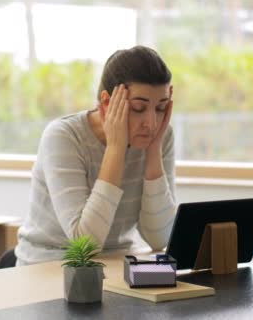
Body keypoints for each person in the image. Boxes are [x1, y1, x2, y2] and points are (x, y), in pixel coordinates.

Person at [15, 45, 176, 266]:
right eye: (138, 108)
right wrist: (115, 150)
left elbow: (160, 239)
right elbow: (85, 246)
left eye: (161, 108)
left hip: (118, 265)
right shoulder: (64, 137)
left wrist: (154, 150)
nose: (152, 123)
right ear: (107, 102)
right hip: (51, 264)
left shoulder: (160, 136)